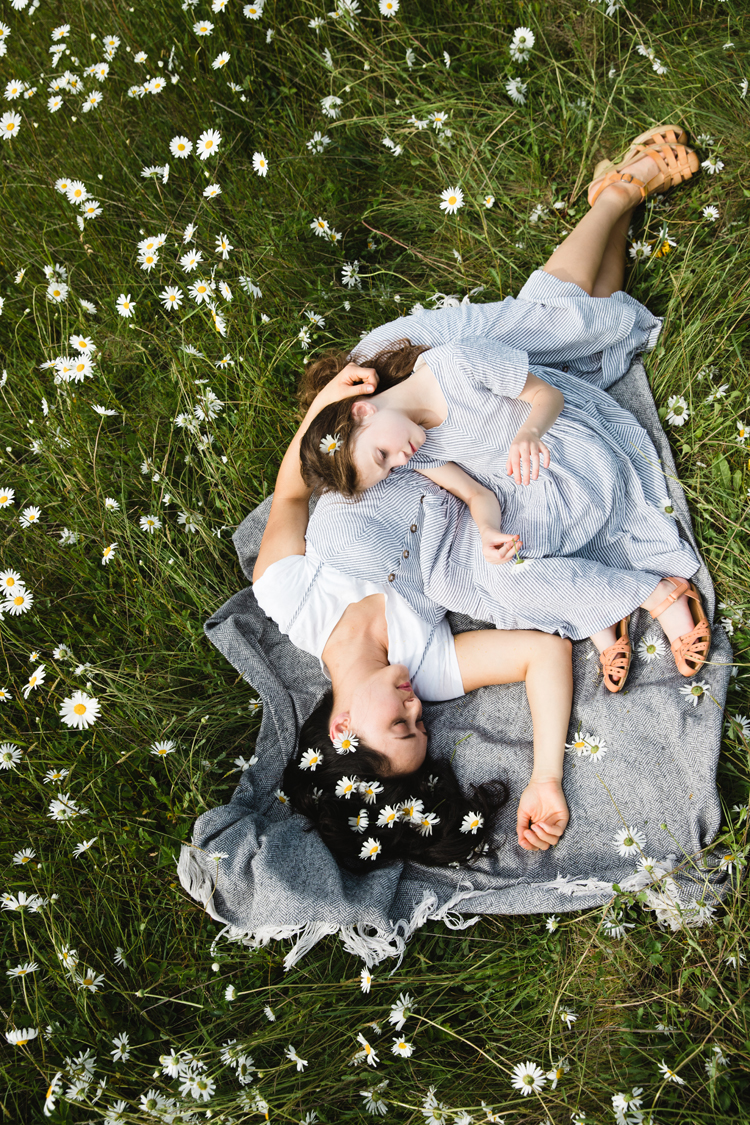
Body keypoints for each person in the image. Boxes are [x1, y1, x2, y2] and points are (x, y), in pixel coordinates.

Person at [297, 130, 710, 690]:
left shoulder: (453, 365)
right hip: (530, 494)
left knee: (565, 313)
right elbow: (477, 494)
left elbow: (546, 395)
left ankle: (656, 595)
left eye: (383, 454)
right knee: (500, 575)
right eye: (389, 469)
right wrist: (488, 529)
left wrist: (529, 435)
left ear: (363, 411)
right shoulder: (414, 454)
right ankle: (600, 602)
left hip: (562, 451)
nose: (401, 461)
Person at [253, 364, 575, 870]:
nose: (414, 707)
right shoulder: (427, 669)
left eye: (400, 725)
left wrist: (325, 407)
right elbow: (545, 652)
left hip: (397, 419)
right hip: (485, 461)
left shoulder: (287, 598)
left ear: (342, 729)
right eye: (420, 724)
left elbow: (292, 493)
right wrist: (546, 779)